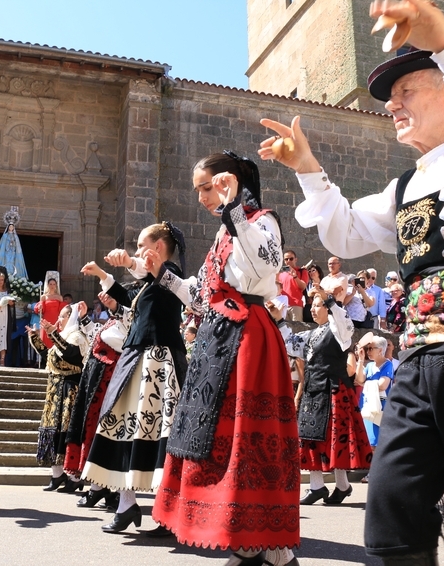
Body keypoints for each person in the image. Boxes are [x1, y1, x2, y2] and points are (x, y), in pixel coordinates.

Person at [259, 1, 444, 562]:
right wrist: (308, 172)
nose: (392, 105)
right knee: (391, 514)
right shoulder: (404, 186)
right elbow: (344, 233)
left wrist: (443, 37)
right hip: (419, 364)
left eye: (407, 91)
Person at [149, 151, 299, 566]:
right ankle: (250, 542)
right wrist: (162, 274)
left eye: (204, 187)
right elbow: (203, 295)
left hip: (248, 339)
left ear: (226, 182)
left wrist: (235, 212)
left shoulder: (261, 219)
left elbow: (266, 263)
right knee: (215, 440)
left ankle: (269, 545)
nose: (200, 196)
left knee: (245, 441)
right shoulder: (224, 232)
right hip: (217, 341)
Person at [80, 222, 186, 535]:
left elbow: (145, 272)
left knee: (156, 433)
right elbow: (129, 297)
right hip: (138, 359)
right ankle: (126, 504)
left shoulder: (171, 275)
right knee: (126, 426)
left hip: (158, 361)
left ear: (159, 248)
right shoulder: (150, 282)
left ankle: (167, 511)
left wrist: (128, 261)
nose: (138, 251)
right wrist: (103, 275)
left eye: (142, 245)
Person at [278, 286, 371, 510]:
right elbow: (289, 343)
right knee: (311, 438)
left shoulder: (340, 330)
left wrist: (330, 300)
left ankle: (336, 485)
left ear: (328, 309)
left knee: (332, 440)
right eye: (312, 305)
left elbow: (342, 321)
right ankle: (326, 486)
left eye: (317, 305)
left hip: (333, 391)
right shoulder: (310, 334)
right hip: (314, 391)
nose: (313, 309)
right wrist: (279, 320)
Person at [65, 292, 129, 508]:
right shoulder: (112, 322)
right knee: (92, 433)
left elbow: (115, 342)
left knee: (102, 434)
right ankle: (99, 489)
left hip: (108, 383)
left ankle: (105, 490)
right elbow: (96, 338)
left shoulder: (127, 323)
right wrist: (84, 318)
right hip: (96, 383)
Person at [29, 302, 90, 491]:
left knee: (67, 433)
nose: (58, 320)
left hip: (69, 391)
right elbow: (51, 356)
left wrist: (52, 334)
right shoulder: (63, 337)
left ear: (71, 317)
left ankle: (73, 476)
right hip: (55, 390)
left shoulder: (77, 336)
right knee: (52, 432)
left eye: (62, 316)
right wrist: (35, 338)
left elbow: (70, 355)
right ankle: (56, 475)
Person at [355, 334, 394, 449]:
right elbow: (359, 379)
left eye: (371, 348)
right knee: (367, 438)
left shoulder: (388, 365)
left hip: (380, 406)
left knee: (376, 440)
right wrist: (361, 361)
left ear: (381, 350)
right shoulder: (370, 365)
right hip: (367, 404)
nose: (368, 351)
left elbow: (383, 385)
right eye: (368, 348)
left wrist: (365, 384)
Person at [34, 274, 66, 351]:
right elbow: (40, 309)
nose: (52, 286)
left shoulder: (59, 297)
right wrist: (40, 308)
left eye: (54, 284)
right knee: (45, 339)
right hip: (46, 318)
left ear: (56, 286)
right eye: (50, 284)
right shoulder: (44, 297)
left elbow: (62, 310)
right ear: (48, 285)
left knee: (55, 338)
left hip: (56, 320)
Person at [279, 250, 309, 321]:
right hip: (282, 306)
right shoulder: (281, 273)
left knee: (297, 330)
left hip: (296, 305)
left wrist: (295, 276)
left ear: (296, 259)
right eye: (286, 259)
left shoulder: (302, 271)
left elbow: (303, 286)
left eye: (291, 259)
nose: (288, 261)